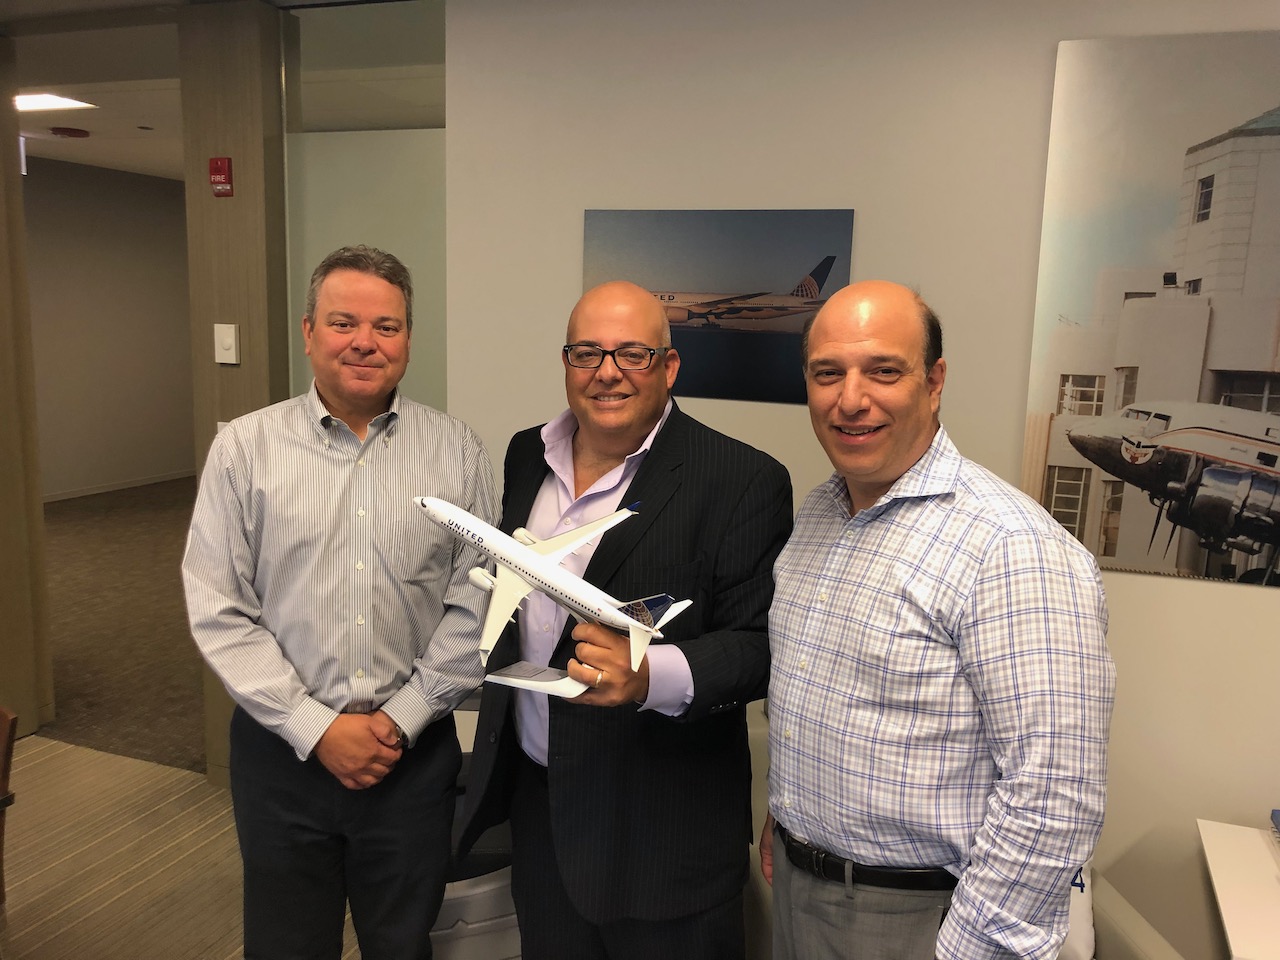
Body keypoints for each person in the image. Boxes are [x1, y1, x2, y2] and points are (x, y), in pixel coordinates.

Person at [761, 280, 1115, 960]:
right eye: (828, 373)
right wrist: (788, 817)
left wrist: (969, 949)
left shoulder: (1010, 546)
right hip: (800, 894)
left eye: (883, 371)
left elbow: (1054, 794)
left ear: (934, 382)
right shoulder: (817, 517)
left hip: (925, 918)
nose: (851, 399)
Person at [456, 280, 793, 959]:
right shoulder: (525, 454)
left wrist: (649, 676)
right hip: (541, 813)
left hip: (663, 839)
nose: (607, 371)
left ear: (669, 367)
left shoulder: (742, 478)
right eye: (587, 352)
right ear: (566, 363)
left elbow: (759, 646)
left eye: (632, 353)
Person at [181, 245, 498, 960]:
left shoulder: (458, 452)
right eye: (343, 322)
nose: (364, 341)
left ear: (408, 338)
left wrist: (402, 717)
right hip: (281, 757)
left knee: (404, 944)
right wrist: (315, 726)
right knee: (287, 945)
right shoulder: (244, 450)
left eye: (386, 326)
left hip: (409, 760)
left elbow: (479, 600)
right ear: (308, 332)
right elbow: (219, 607)